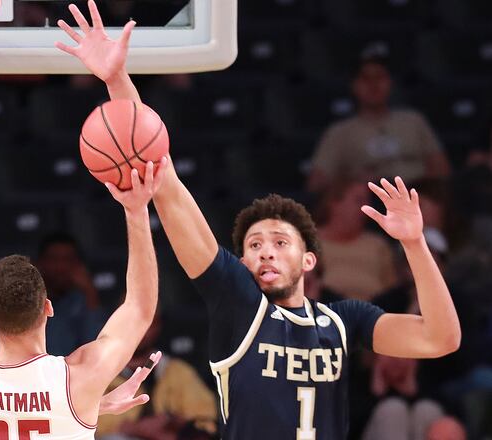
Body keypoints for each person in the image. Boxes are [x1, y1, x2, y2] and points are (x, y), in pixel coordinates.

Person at [57, 2, 462, 438]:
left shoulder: (344, 321)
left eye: (280, 242)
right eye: (254, 245)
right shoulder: (238, 306)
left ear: (309, 261)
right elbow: (163, 176)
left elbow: (440, 339)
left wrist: (415, 244)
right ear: (244, 264)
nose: (265, 250)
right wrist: (117, 80)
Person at [0, 151, 168, 437]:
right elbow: (140, 307)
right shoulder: (78, 379)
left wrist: (90, 406)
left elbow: (13, 415)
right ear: (48, 308)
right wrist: (136, 210)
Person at [307, 54, 451, 192]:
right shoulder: (339, 132)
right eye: (365, 78)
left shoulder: (414, 120)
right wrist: (352, 182)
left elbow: (442, 169)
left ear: (390, 82)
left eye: (380, 77)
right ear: (354, 85)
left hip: (417, 197)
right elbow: (316, 184)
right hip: (367, 204)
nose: (373, 84)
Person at [96, 314, 217, 440]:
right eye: (131, 323)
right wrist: (136, 429)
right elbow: (84, 425)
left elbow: (207, 420)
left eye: (146, 323)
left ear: (157, 326)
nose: (139, 330)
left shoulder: (176, 371)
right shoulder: (99, 374)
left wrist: (174, 423)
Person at [314, 179, 398, 301]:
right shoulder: (309, 240)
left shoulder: (377, 244)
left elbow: (392, 288)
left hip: (375, 311)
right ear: (334, 203)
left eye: (367, 201)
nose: (367, 206)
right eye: (358, 200)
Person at [35, 232, 105, 355]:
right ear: (40, 263)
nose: (61, 267)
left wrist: (90, 292)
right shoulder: (26, 302)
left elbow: (98, 347)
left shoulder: (84, 301)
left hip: (77, 371)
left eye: (68, 260)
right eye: (54, 259)